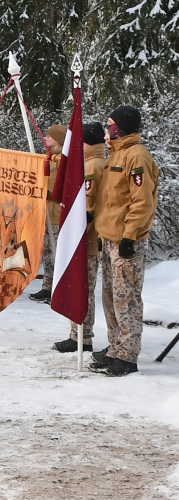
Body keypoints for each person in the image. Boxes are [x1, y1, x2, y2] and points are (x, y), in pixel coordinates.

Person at [90, 105, 158, 377]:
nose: (107, 130)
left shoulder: (136, 155)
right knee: (110, 297)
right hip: (108, 239)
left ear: (122, 126)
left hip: (126, 242)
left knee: (126, 298)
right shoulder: (114, 155)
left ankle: (128, 356)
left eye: (111, 124)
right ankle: (115, 348)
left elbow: (142, 202)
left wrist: (130, 236)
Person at [54, 122, 106, 353]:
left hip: (87, 240)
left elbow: (91, 203)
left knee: (83, 288)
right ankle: (77, 335)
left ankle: (83, 337)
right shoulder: (86, 163)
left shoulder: (93, 165)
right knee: (78, 287)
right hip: (80, 238)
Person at [30, 124, 67, 303]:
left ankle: (58, 288)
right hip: (44, 213)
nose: (45, 138)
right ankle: (47, 286)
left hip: (57, 214)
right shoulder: (46, 158)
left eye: (49, 136)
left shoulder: (65, 161)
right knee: (47, 252)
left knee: (56, 252)